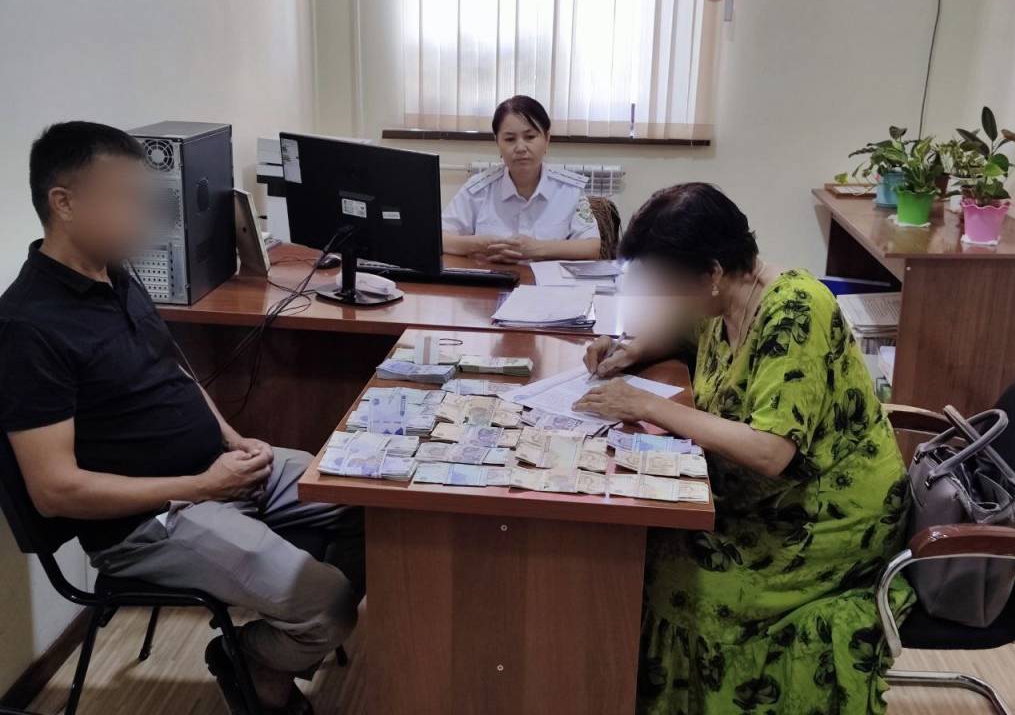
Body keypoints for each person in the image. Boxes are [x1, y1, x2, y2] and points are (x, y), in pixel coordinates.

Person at [0, 122, 364, 715]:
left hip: (217, 472)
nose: (144, 219)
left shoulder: (115, 274)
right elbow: (54, 490)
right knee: (329, 605)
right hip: (152, 520)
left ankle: (290, 635)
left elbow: (176, 371)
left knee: (375, 501)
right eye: (126, 199)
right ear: (63, 203)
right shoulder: (27, 327)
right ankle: (255, 658)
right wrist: (201, 487)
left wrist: (233, 438)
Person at [574, 183, 914, 714]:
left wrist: (646, 404)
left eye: (667, 282)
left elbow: (771, 452)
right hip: (756, 495)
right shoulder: (727, 296)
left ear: (711, 272)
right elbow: (687, 334)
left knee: (673, 575)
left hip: (822, 518)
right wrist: (629, 351)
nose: (663, 295)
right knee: (643, 543)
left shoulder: (797, 310)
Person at [442, 95, 602, 263]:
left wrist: (536, 249)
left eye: (530, 137)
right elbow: (440, 238)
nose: (520, 148)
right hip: (493, 276)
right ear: (497, 142)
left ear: (547, 139)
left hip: (547, 279)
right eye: (510, 139)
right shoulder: (478, 188)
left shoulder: (569, 189)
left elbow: (591, 246)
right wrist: (479, 245)